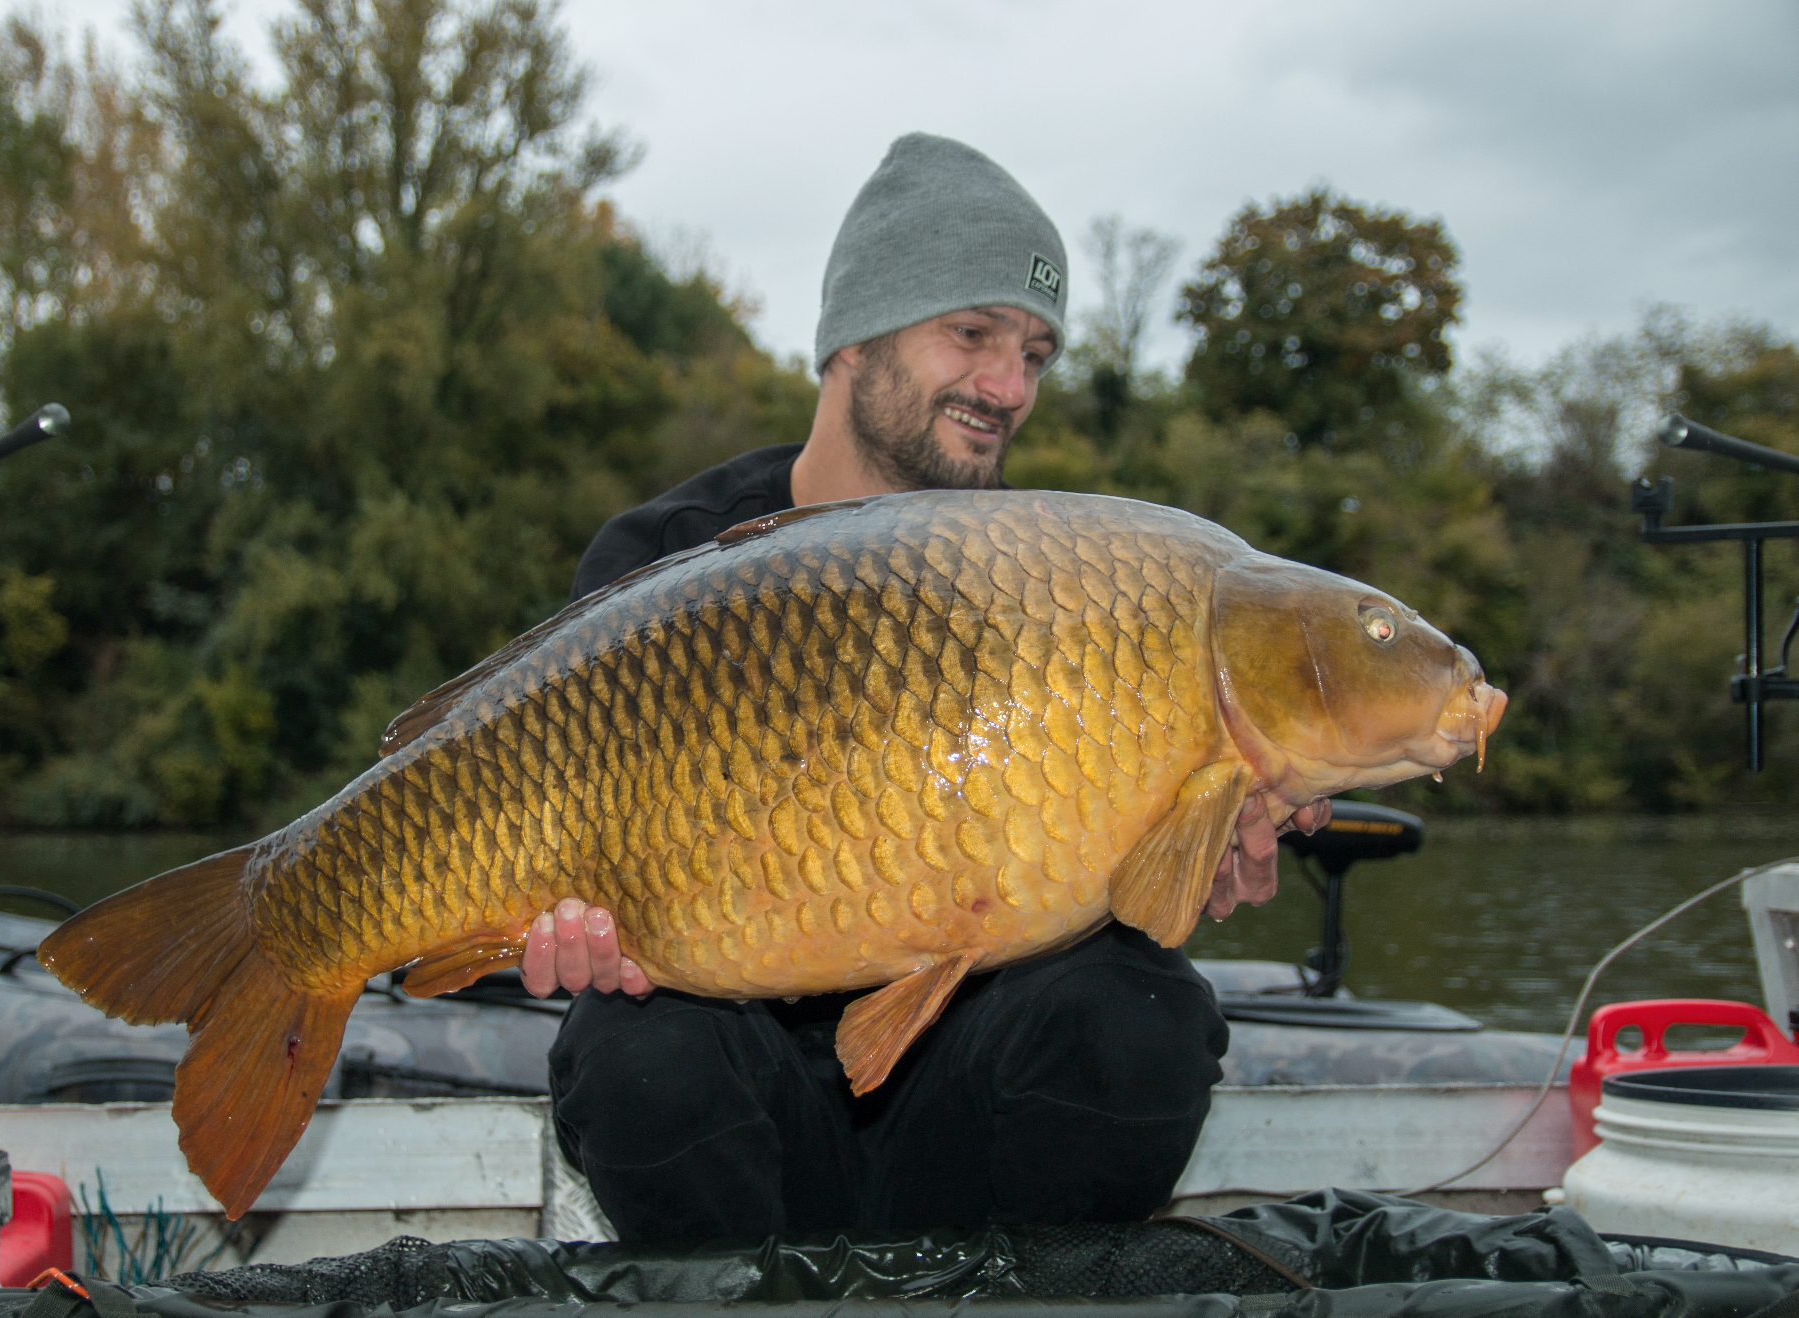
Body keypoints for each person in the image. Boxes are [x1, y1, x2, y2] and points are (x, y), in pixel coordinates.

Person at [518, 133, 1328, 1240]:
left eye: (1036, 354)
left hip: (967, 1100)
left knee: (1140, 1014)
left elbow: (1099, 885)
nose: (1008, 386)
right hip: (743, 1099)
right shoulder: (662, 561)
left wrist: (1189, 859)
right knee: (634, 1047)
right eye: (972, 333)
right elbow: (554, 843)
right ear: (855, 333)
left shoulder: (1051, 581)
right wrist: (563, 923)